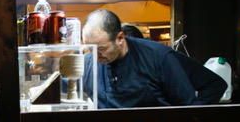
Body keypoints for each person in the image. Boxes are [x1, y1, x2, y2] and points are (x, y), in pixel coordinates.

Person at [82, 9, 226, 108]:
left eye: (101, 49)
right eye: (90, 48)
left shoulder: (159, 57)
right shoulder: (87, 63)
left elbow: (212, 87)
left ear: (120, 38)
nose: (94, 55)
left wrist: (196, 121)